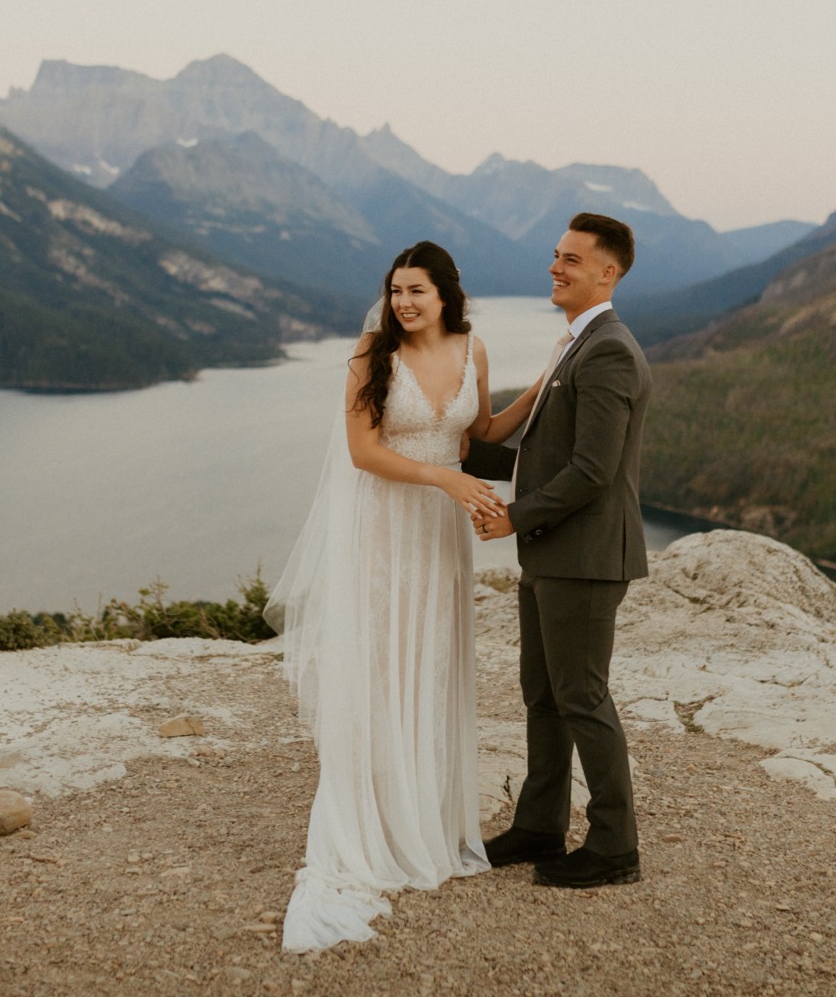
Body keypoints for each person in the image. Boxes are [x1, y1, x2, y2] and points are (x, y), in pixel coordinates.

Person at [264, 241, 543, 951]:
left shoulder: (472, 349)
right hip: (384, 527)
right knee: (384, 662)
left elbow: (477, 435)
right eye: (396, 291)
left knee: (433, 661)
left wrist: (542, 388)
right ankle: (373, 821)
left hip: (440, 539)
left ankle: (425, 816)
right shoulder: (371, 354)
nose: (404, 303)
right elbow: (365, 451)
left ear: (446, 294)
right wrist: (447, 481)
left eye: (416, 290)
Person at [464, 213, 652, 888]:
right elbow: (534, 448)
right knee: (542, 694)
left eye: (572, 259)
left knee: (582, 696)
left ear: (609, 272)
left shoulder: (608, 349)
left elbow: (593, 469)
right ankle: (541, 825)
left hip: (586, 556)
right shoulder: (573, 344)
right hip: (552, 554)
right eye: (555, 255)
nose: (555, 267)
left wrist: (513, 517)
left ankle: (614, 847)